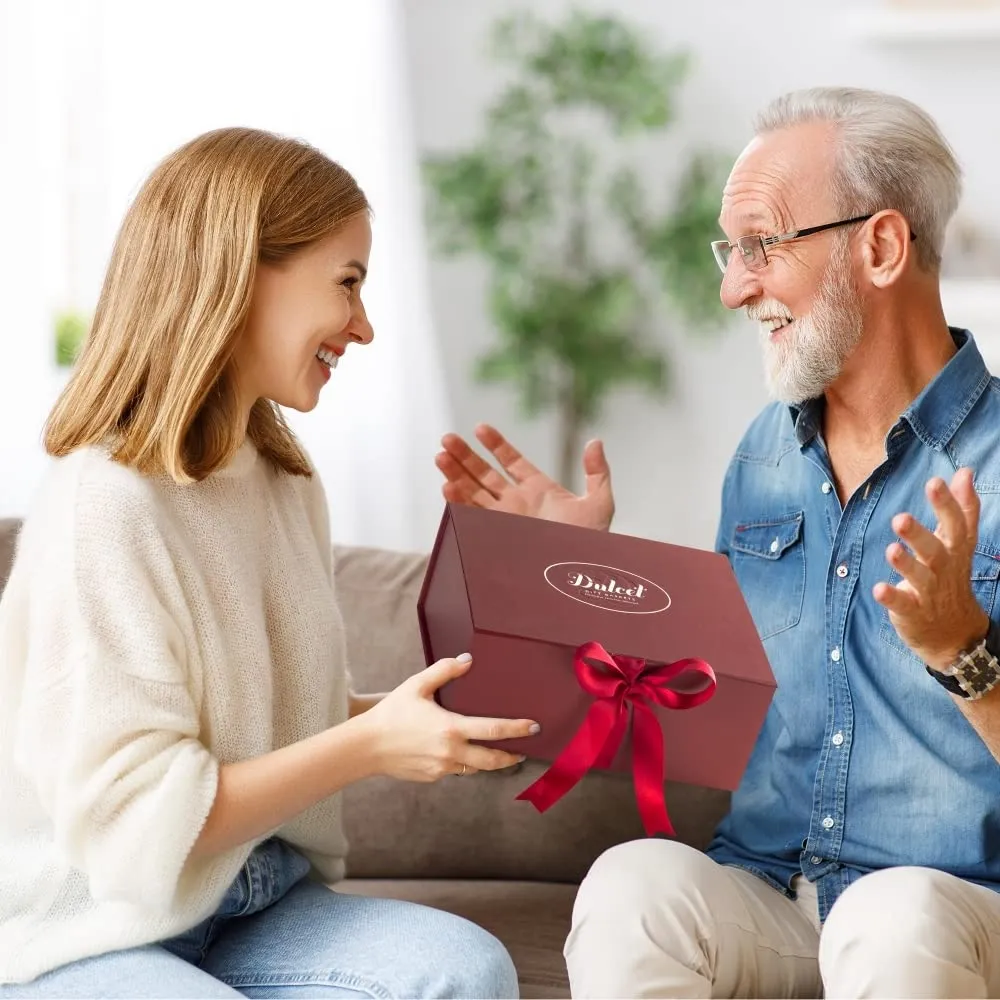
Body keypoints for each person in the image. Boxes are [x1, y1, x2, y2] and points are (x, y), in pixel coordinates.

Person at [435, 87, 1000, 998]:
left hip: (961, 911)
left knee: (892, 920)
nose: (735, 287)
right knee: (633, 886)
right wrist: (579, 582)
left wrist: (966, 652)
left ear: (882, 247)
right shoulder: (765, 456)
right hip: (771, 887)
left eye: (761, 246)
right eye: (729, 252)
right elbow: (706, 708)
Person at [0, 127, 538, 999]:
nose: (363, 327)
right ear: (244, 272)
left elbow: (273, 727)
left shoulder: (283, 479)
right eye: (349, 284)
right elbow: (137, 819)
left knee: (460, 972)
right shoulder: (106, 504)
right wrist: (368, 744)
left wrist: (429, 716)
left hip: (256, 899)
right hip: (91, 924)